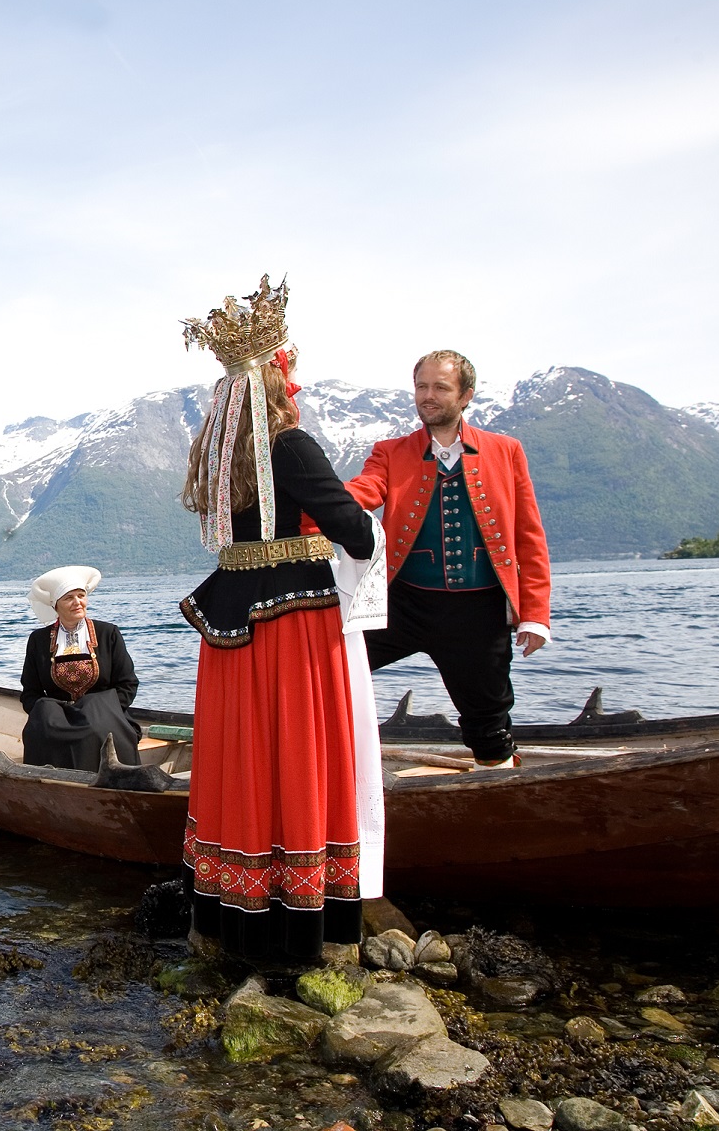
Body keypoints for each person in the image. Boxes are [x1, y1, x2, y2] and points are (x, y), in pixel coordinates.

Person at [177, 276, 382, 965]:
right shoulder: (289, 447)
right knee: (294, 754)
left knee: (239, 757)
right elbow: (354, 531)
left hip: (230, 621)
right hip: (293, 627)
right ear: (276, 380)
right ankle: (301, 922)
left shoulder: (216, 454)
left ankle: (228, 914)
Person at [344, 350, 550, 768]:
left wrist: (535, 615)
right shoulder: (390, 451)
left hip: (478, 611)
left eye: (440, 387)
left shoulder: (506, 450)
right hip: (402, 602)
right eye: (421, 386)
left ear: (465, 395)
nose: (427, 396)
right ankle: (325, 767)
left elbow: (529, 536)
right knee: (333, 667)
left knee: (488, 723)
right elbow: (364, 491)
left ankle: (499, 787)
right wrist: (313, 502)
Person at [19, 566, 141, 771]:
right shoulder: (38, 640)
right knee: (41, 729)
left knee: (95, 730)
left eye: (81, 596)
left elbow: (127, 684)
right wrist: (49, 714)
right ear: (56, 605)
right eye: (69, 598)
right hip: (58, 719)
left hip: (104, 715)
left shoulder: (108, 633)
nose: (77, 602)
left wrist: (102, 709)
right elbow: (30, 692)